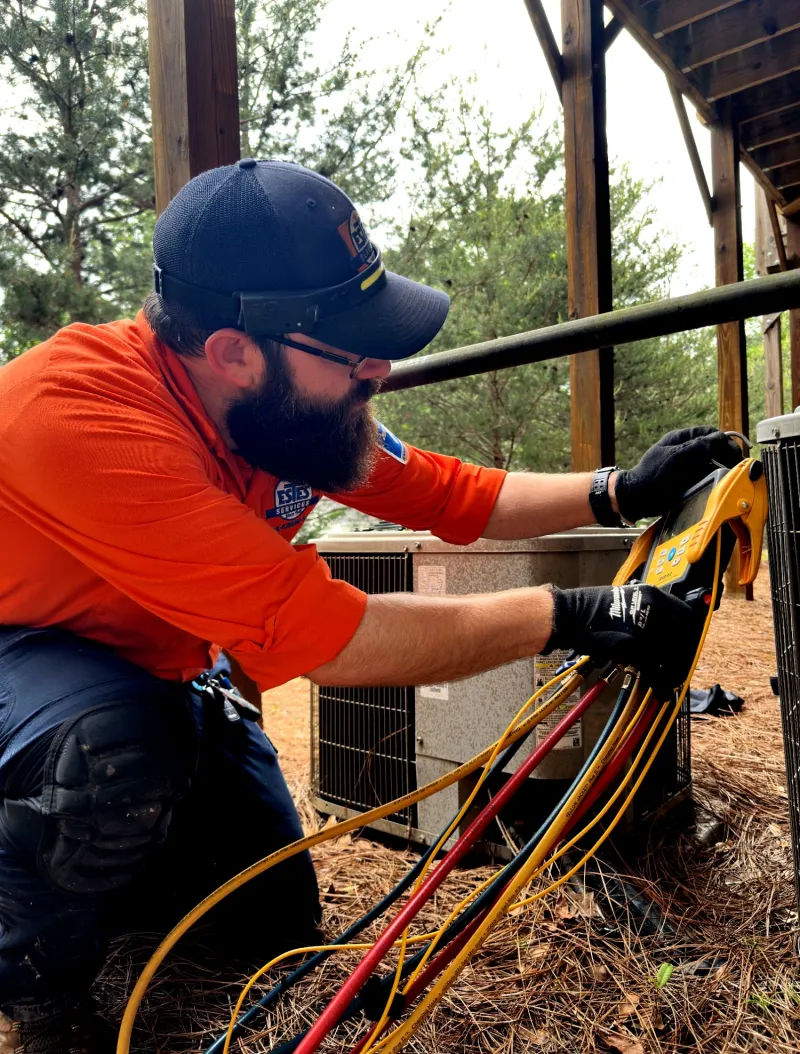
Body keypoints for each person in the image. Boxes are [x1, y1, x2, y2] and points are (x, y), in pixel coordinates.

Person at [0, 159, 742, 1053]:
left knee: (267, 928)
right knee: (106, 759)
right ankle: (38, 997)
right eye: (353, 350)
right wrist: (577, 615)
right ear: (235, 350)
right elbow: (332, 637)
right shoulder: (75, 416)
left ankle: (104, 865)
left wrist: (616, 491)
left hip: (176, 663)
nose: (380, 369)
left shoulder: (287, 409)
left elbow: (449, 494)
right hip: (31, 655)